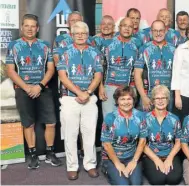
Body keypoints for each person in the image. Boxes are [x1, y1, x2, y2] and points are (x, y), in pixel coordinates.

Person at [6, 14, 61, 169]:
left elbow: (51, 68)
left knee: (51, 122)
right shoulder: (13, 45)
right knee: (28, 124)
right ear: (22, 27)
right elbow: (10, 71)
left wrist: (40, 86)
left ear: (37, 28)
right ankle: (33, 155)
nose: (30, 29)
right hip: (23, 89)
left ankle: (50, 153)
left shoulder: (44, 45)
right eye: (27, 26)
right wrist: (27, 87)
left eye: (33, 26)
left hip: (42, 88)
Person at [57, 21, 103, 180]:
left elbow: (98, 75)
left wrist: (88, 92)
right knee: (71, 134)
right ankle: (72, 166)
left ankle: (90, 164)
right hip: (70, 98)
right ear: (72, 35)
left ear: (87, 35)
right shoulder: (65, 52)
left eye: (84, 33)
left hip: (90, 99)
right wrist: (78, 92)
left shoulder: (95, 53)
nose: (81, 36)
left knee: (90, 133)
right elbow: (62, 76)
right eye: (77, 34)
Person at [101, 86, 147, 185]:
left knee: (136, 184)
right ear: (117, 101)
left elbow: (142, 141)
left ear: (133, 100)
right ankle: (106, 168)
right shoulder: (110, 117)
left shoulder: (140, 116)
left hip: (131, 156)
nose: (126, 102)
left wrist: (134, 161)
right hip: (112, 157)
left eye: (129, 99)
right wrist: (117, 164)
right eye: (122, 99)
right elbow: (106, 144)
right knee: (124, 184)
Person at [99, 18, 142, 118]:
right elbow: (100, 67)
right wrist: (100, 87)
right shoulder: (107, 44)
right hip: (110, 86)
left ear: (133, 29)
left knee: (128, 119)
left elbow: (139, 68)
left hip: (130, 87)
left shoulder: (138, 44)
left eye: (130, 26)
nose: (127, 28)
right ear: (119, 28)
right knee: (109, 119)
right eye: (124, 26)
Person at [142, 85, 183, 185]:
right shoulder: (145, 118)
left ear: (168, 100)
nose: (160, 101)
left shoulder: (174, 119)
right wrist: (157, 160)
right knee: (158, 180)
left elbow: (178, 142)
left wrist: (169, 158)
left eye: (163, 98)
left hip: (170, 153)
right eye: (157, 98)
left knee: (174, 179)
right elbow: (142, 144)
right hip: (152, 155)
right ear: (153, 101)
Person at [134, 20, 176, 112]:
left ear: (165, 31)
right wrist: (143, 97)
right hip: (149, 94)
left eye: (161, 30)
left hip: (168, 95)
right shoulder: (144, 49)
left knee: (167, 124)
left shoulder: (174, 49)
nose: (158, 33)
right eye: (155, 31)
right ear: (151, 32)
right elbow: (137, 75)